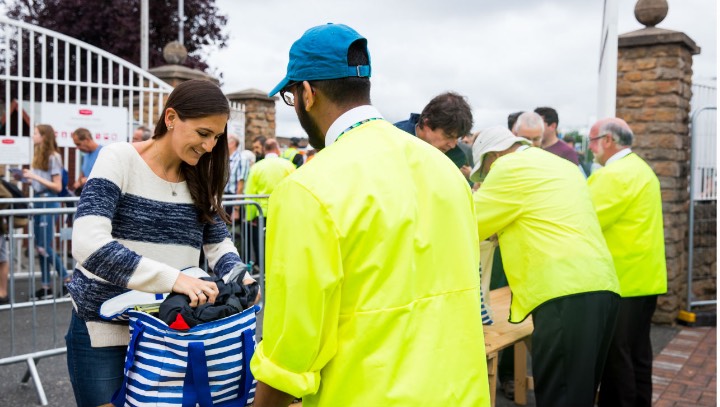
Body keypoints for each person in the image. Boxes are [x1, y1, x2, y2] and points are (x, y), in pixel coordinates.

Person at [250, 23, 489, 407]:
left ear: (307, 93)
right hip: (459, 393)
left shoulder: (308, 188)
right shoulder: (446, 171)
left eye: (291, 97)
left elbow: (291, 347)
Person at [65, 79, 257, 407]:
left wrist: (241, 278)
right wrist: (174, 279)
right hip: (104, 330)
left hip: (171, 333)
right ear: (170, 118)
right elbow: (88, 243)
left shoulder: (200, 174)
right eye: (203, 133)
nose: (210, 146)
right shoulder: (119, 158)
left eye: (216, 137)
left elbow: (218, 244)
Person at [470, 125, 620, 407]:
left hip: (563, 291)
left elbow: (469, 223)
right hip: (603, 287)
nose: (486, 179)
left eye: (485, 172)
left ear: (494, 155)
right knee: (579, 396)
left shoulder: (508, 167)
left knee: (560, 398)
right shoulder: (561, 165)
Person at [587, 118, 667, 407]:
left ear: (608, 140)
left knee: (616, 360)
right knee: (639, 355)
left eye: (592, 141)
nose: (590, 148)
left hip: (622, 281)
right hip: (647, 278)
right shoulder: (642, 169)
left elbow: (586, 219)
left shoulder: (612, 175)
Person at [21, 124, 70, 300]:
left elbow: (57, 186)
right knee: (40, 247)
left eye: (35, 133)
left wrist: (34, 176)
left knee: (44, 247)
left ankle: (68, 280)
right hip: (39, 200)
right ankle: (46, 287)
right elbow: (41, 182)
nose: (33, 136)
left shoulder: (54, 156)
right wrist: (27, 179)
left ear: (44, 136)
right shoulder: (38, 155)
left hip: (48, 201)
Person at [395, 92, 474, 181]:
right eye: (448, 136)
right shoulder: (391, 139)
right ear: (427, 123)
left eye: (457, 138)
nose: (452, 145)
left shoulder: (457, 158)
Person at [244, 138, 295, 266]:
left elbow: (250, 193)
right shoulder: (288, 165)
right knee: (282, 243)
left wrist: (249, 216)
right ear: (277, 149)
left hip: (262, 213)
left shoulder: (257, 167)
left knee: (261, 244)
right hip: (284, 212)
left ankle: (263, 268)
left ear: (264, 150)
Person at [71, 127, 103, 194]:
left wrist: (87, 180)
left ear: (87, 139)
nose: (77, 148)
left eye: (78, 144)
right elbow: (84, 172)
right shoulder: (86, 155)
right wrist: (79, 181)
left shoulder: (103, 152)